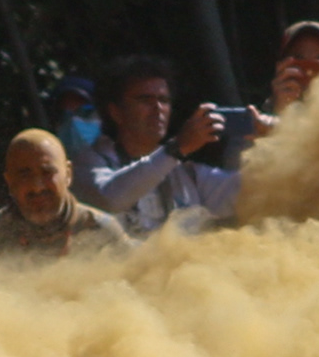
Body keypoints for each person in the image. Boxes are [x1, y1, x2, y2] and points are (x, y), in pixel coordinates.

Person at [72, 56, 239, 234]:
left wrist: (267, 139)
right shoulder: (88, 162)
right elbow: (109, 201)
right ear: (116, 112)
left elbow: (252, 193)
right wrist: (176, 149)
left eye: (164, 100)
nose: (158, 108)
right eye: (145, 100)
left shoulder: (187, 173)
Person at [0, 128, 126, 257]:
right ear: (10, 182)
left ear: (68, 174)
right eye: (24, 175)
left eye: (47, 173)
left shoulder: (101, 231)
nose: (37, 187)